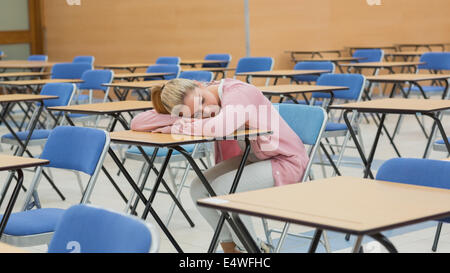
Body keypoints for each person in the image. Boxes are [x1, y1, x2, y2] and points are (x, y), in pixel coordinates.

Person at [131, 78, 309, 253]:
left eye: (202, 100)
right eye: (196, 114)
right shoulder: (200, 98)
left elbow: (222, 127)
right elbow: (138, 122)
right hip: (256, 158)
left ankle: (252, 250)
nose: (206, 110)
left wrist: (179, 126)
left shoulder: (239, 92)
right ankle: (232, 250)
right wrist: (182, 118)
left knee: (224, 189)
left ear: (200, 85)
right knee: (198, 189)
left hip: (287, 160)